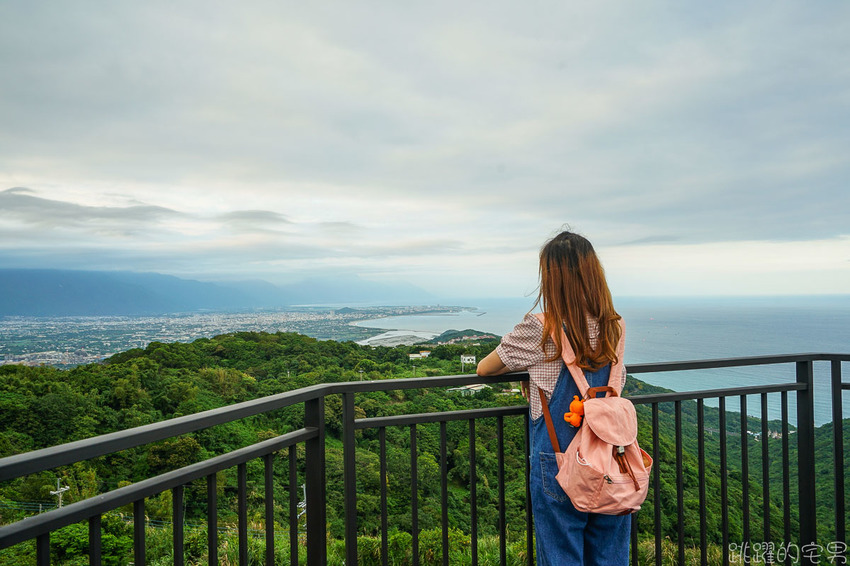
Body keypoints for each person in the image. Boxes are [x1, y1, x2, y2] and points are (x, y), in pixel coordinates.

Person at [477, 230, 630, 565]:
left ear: (551, 279)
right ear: (593, 275)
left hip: (558, 462)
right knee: (610, 555)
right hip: (610, 457)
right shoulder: (613, 327)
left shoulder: (541, 328)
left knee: (560, 555)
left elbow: (485, 369)